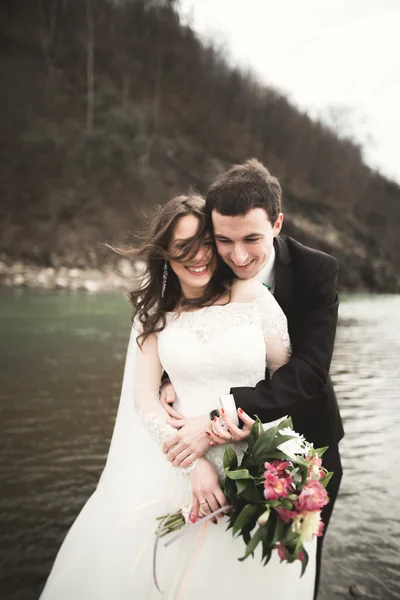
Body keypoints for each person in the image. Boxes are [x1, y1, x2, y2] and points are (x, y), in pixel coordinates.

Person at [39, 193, 317, 599]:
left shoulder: (255, 298)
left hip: (254, 453)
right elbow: (143, 394)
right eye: (182, 248)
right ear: (165, 255)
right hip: (179, 459)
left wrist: (255, 433)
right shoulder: (155, 314)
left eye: (205, 242)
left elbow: (285, 377)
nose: (198, 256)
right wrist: (194, 467)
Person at [160, 159, 344, 599]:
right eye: (224, 240)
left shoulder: (319, 270)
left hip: (304, 445)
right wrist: (172, 376)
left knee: (293, 571)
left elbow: (309, 373)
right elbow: (183, 326)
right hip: (222, 455)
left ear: (277, 223)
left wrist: (215, 414)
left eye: (252, 239)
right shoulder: (210, 265)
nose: (238, 256)